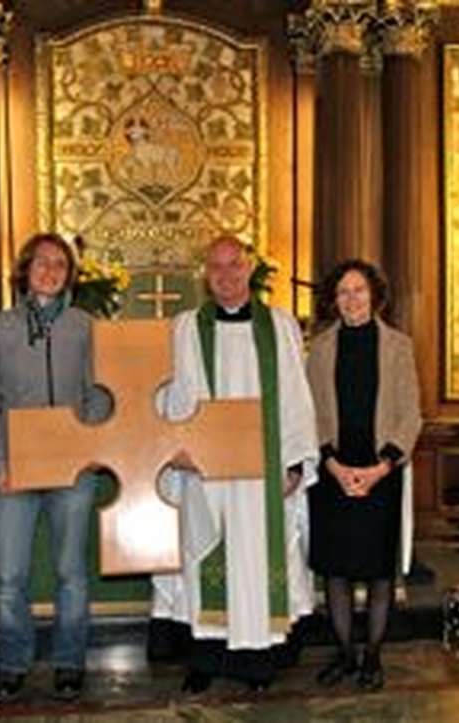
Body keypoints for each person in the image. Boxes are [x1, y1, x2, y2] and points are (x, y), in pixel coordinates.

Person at [150, 235, 319, 692]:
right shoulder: (185, 327)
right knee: (205, 556)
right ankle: (204, 660)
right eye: (216, 267)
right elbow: (171, 393)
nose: (225, 275)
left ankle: (258, 664)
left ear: (249, 269)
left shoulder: (279, 326)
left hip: (264, 473)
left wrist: (297, 465)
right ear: (206, 274)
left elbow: (297, 400)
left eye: (234, 265)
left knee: (259, 563)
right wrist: (175, 447)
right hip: (205, 473)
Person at [0, 233, 110, 704]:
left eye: (60, 264)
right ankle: (13, 662)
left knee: (71, 571)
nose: (51, 270)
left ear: (70, 273)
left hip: (73, 470)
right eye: (42, 263)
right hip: (16, 469)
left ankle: (70, 662)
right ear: (25, 270)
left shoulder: (84, 326)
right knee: (10, 575)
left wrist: (87, 441)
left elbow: (98, 391)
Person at [306, 258, 422, 692]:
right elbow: (311, 413)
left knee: (377, 572)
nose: (351, 299)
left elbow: (411, 416)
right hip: (333, 468)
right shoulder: (319, 348)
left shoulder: (399, 346)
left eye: (358, 290)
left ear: (374, 294)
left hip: (381, 467)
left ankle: (373, 655)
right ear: (333, 301)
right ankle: (344, 653)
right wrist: (332, 464)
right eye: (342, 292)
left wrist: (380, 468)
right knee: (335, 570)